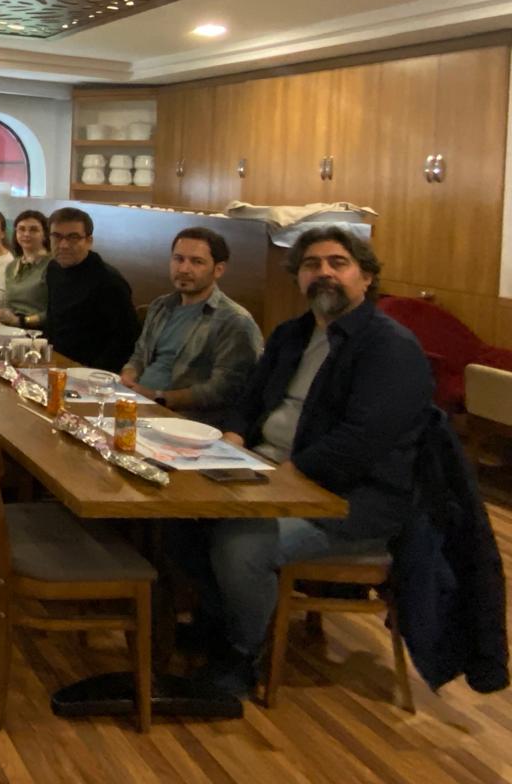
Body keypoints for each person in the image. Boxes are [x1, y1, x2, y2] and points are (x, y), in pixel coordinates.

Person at [172, 226, 433, 696]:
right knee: (177, 519)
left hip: (349, 499)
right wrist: (231, 440)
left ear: (366, 277)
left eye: (338, 263)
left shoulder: (390, 347)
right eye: (312, 265)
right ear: (298, 277)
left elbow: (361, 441)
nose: (324, 273)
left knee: (241, 544)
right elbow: (250, 400)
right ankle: (220, 621)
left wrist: (285, 477)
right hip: (266, 470)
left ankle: (241, 655)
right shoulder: (293, 334)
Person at [120, 228, 263, 428]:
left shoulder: (234, 321)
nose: (184, 269)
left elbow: (222, 390)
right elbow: (140, 355)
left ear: (218, 269)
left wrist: (157, 397)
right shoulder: (160, 306)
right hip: (137, 406)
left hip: (186, 421)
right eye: (178, 259)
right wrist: (127, 378)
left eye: (197, 262)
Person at [42, 207, 139, 372]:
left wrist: (90, 373)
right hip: (55, 360)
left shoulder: (109, 281)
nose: (63, 245)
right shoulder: (53, 268)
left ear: (89, 241)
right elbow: (53, 319)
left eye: (73, 237)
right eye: (57, 236)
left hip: (89, 369)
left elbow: (125, 340)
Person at [0, 209, 50, 331]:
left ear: (45, 235)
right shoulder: (12, 266)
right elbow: (8, 303)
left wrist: (21, 321)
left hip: (37, 331)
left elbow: (55, 312)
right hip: (10, 329)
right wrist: (2, 314)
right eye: (21, 229)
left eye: (33, 230)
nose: (26, 234)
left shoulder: (52, 266)